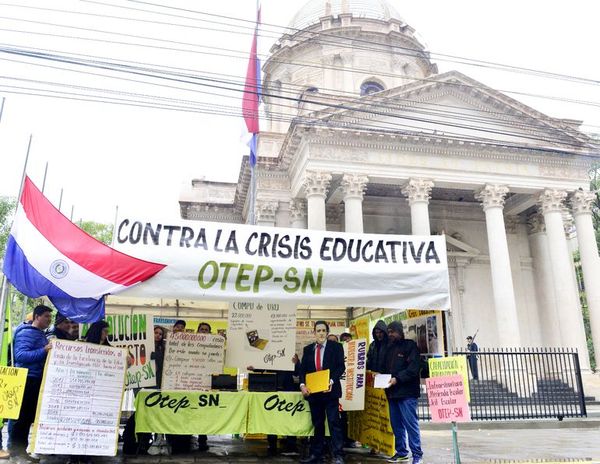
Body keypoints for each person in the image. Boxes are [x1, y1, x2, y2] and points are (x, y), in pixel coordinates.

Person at [9, 304, 53, 461]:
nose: (49, 319)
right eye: (46, 316)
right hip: (27, 379)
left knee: (27, 417)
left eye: (50, 316)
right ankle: (16, 451)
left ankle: (21, 451)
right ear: (36, 317)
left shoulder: (39, 334)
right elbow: (21, 356)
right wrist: (44, 350)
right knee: (22, 417)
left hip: (34, 378)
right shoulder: (27, 333)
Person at [299, 321, 345, 464]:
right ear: (314, 332)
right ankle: (315, 454)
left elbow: (340, 367)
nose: (321, 333)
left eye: (323, 330)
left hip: (330, 392)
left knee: (334, 423)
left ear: (327, 332)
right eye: (318, 330)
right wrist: (302, 385)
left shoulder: (336, 347)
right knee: (317, 424)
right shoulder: (308, 349)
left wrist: (331, 381)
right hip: (314, 393)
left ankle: (338, 455)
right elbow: (303, 370)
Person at [383, 321, 423, 464]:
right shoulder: (388, 348)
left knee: (410, 424)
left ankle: (417, 455)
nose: (390, 334)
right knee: (396, 425)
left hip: (407, 393)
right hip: (392, 393)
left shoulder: (410, 346)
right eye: (389, 332)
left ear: (400, 331)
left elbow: (413, 369)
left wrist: (397, 379)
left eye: (393, 331)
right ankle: (401, 452)